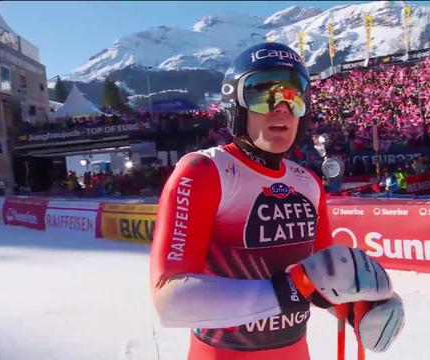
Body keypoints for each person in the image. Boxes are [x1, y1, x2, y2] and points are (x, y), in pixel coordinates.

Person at [150, 43, 404, 360]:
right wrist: (294, 286)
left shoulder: (308, 182)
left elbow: (326, 285)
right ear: (236, 106)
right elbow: (171, 301)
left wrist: (363, 307)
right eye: (263, 93)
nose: (281, 107)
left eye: (294, 95)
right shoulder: (203, 171)